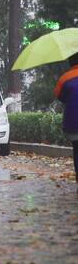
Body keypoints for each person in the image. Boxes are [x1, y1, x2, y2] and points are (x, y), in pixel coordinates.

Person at [54, 52, 78, 184]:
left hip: (73, 123)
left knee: (77, 151)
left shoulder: (65, 78)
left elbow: (59, 96)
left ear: (70, 62)